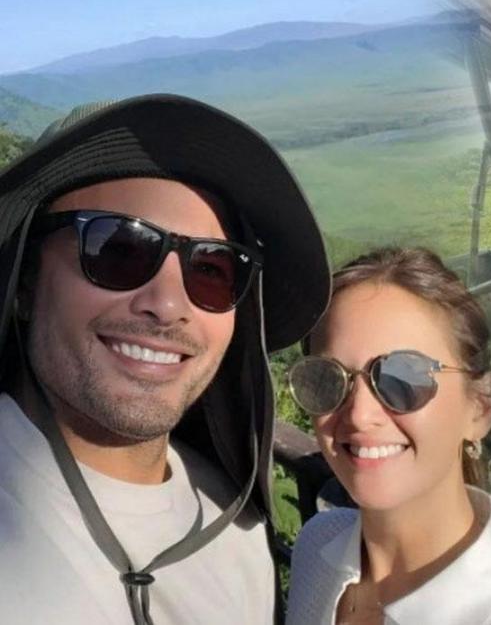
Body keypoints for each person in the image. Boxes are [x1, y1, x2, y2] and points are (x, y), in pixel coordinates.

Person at [0, 94, 331, 625]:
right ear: (24, 282)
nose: (169, 304)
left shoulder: (238, 530)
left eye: (213, 270)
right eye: (118, 249)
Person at [285, 247, 491, 625]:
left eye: (403, 377)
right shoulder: (318, 546)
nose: (359, 414)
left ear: (480, 406)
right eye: (326, 379)